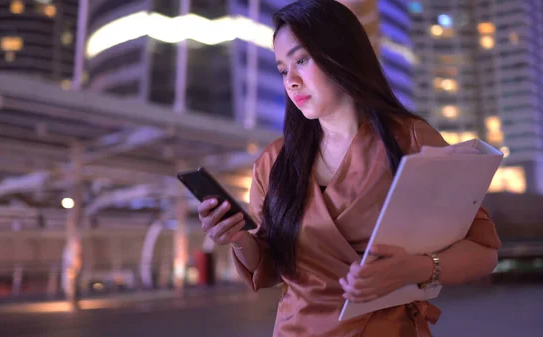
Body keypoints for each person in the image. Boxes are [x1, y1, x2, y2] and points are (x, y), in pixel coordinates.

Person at [198, 0, 501, 336]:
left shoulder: (410, 139)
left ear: (340, 54)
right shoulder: (272, 162)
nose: (291, 81)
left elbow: (483, 252)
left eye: (301, 60)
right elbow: (266, 269)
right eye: (283, 69)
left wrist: (414, 268)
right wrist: (238, 237)